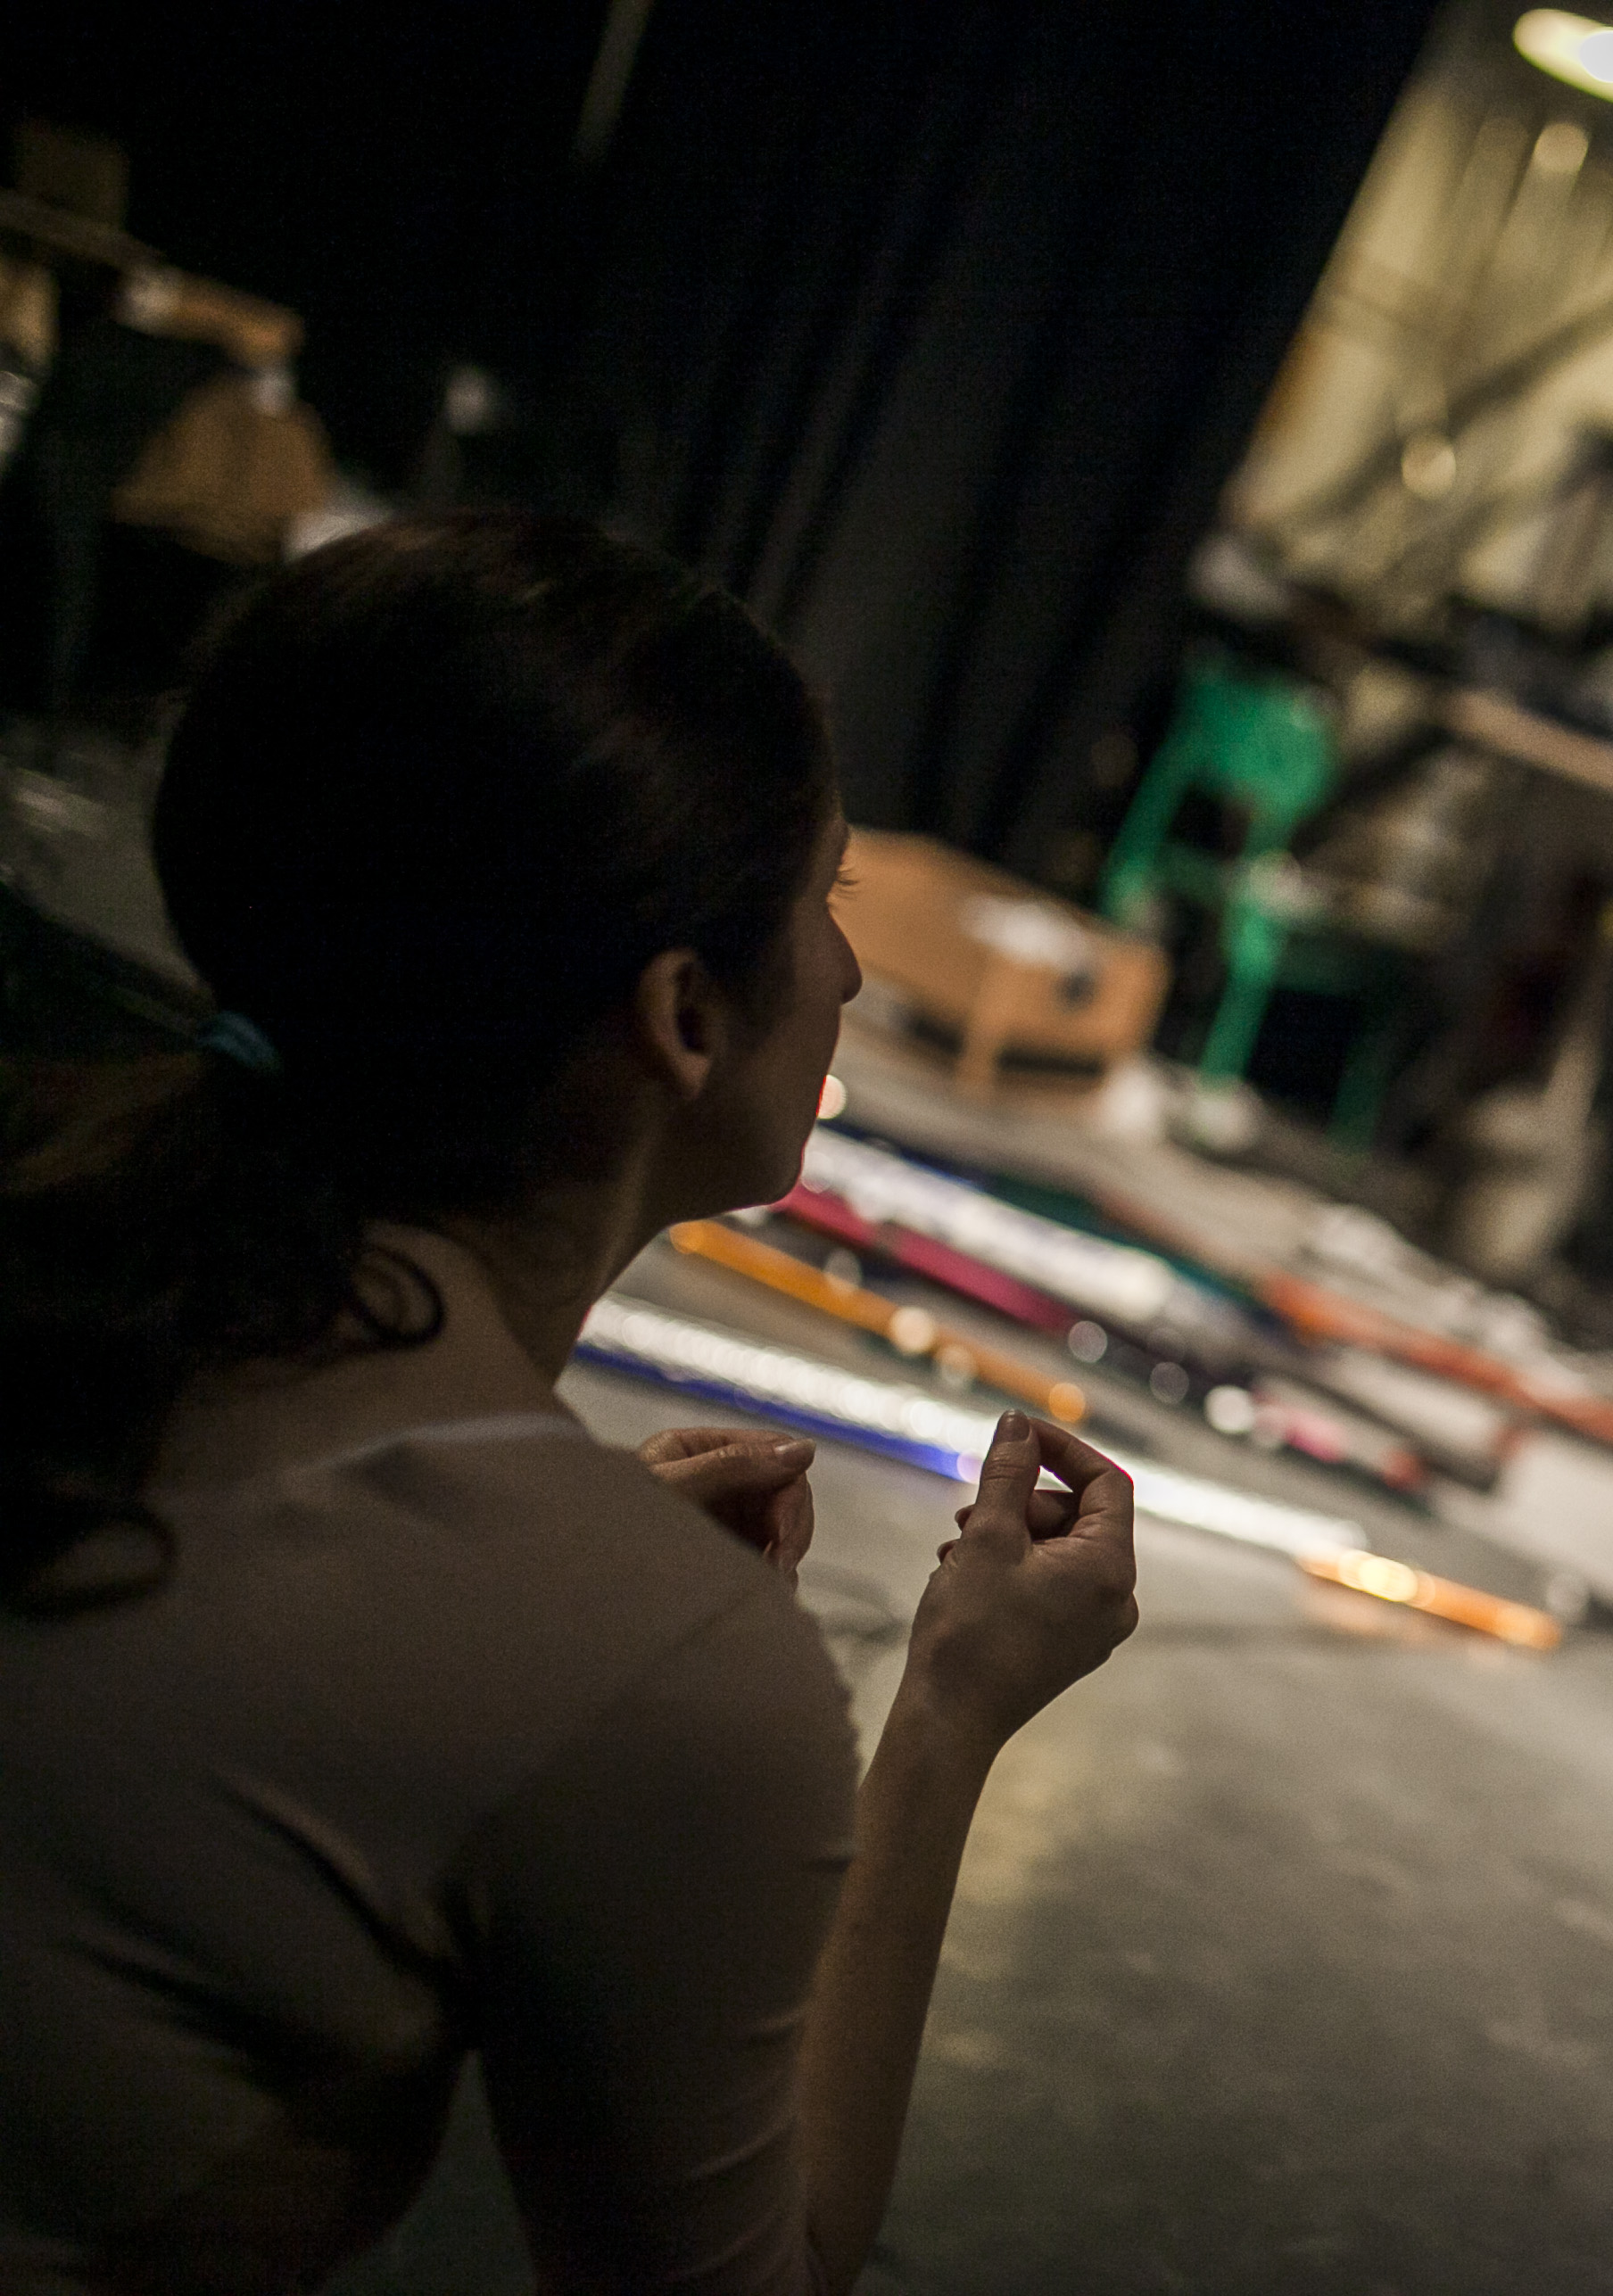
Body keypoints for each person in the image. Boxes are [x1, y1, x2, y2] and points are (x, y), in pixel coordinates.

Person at [0, 511, 1139, 2291]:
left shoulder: (71, 1248)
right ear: (683, 1013)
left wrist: (585, 1596)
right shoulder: (650, 1664)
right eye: (825, 903)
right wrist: (945, 1712)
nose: (849, 976)